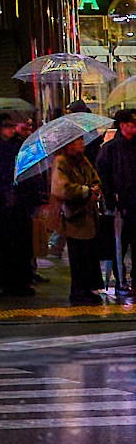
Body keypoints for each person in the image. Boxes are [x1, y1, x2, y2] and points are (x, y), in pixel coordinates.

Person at [53, 133, 107, 305]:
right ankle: (78, 291)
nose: (82, 144)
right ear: (70, 144)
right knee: (78, 256)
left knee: (89, 255)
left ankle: (88, 288)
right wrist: (85, 190)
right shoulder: (61, 162)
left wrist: (96, 188)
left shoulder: (83, 161)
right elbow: (61, 188)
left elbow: (95, 177)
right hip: (74, 216)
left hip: (88, 215)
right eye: (79, 141)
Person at [0, 113, 38, 300]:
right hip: (3, 204)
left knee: (22, 243)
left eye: (11, 126)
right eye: (6, 126)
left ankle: (22, 280)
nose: (10, 129)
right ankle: (8, 281)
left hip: (20, 201)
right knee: (6, 244)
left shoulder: (20, 146)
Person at [98, 110, 136, 302]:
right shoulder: (111, 148)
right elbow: (104, 175)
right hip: (120, 205)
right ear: (123, 125)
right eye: (131, 123)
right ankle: (121, 282)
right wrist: (111, 199)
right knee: (119, 244)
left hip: (132, 203)